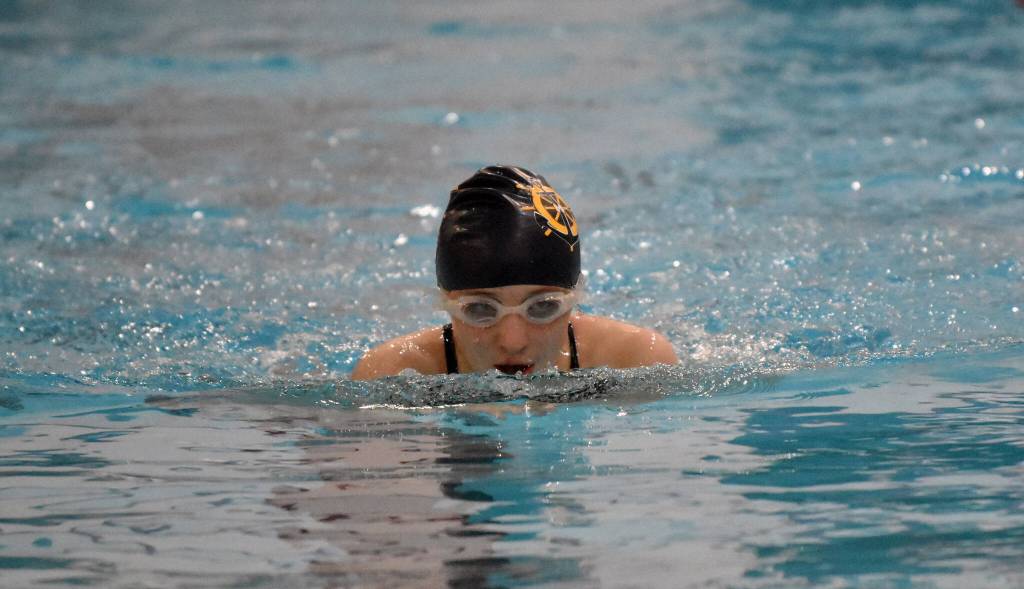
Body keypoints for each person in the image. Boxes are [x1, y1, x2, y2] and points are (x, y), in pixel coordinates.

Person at [351, 165, 677, 380]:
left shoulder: (636, 361)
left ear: (575, 297)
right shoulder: (391, 373)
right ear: (445, 300)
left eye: (542, 307)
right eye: (480, 309)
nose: (513, 342)